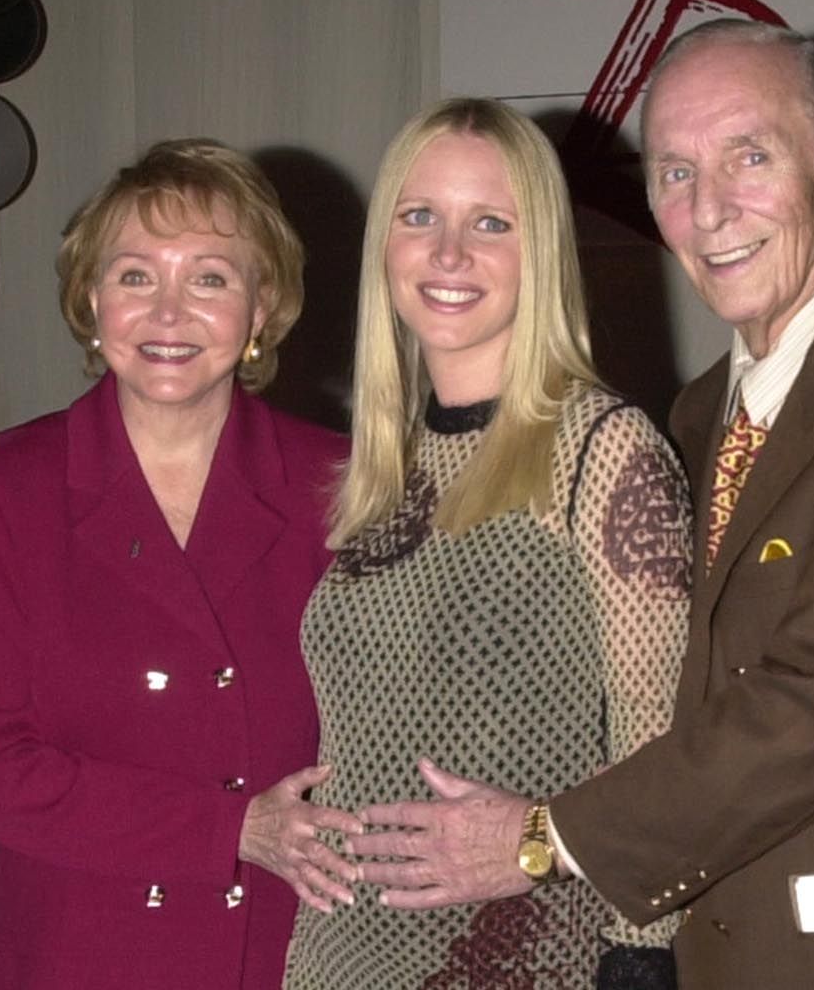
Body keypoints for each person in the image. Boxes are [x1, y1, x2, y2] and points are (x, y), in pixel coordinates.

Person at [350, 20, 814, 990]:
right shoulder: (702, 412)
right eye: (673, 173)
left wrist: (538, 839)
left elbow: (813, 707)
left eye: (751, 156)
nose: (711, 209)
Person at [276, 97, 692, 988]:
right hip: (339, 962)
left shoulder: (601, 449)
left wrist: (639, 952)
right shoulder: (384, 466)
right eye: (419, 215)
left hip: (532, 960)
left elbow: (661, 751)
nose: (449, 253)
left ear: (539, 252)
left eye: (490, 223)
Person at [0, 139, 362, 989]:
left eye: (209, 277)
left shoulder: (344, 482)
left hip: (283, 953)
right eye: (136, 276)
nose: (168, 312)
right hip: (75, 952)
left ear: (262, 307)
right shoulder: (9, 483)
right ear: (92, 301)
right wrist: (229, 830)